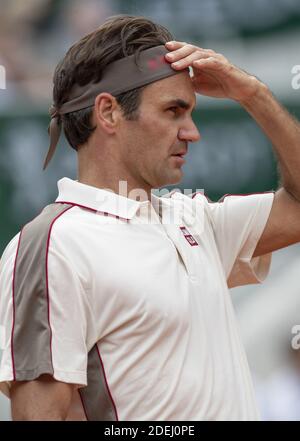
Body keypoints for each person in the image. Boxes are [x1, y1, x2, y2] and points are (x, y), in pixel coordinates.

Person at [0, 14, 300, 421]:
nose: (192, 132)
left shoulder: (197, 221)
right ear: (108, 113)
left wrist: (252, 93)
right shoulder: (53, 246)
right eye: (174, 111)